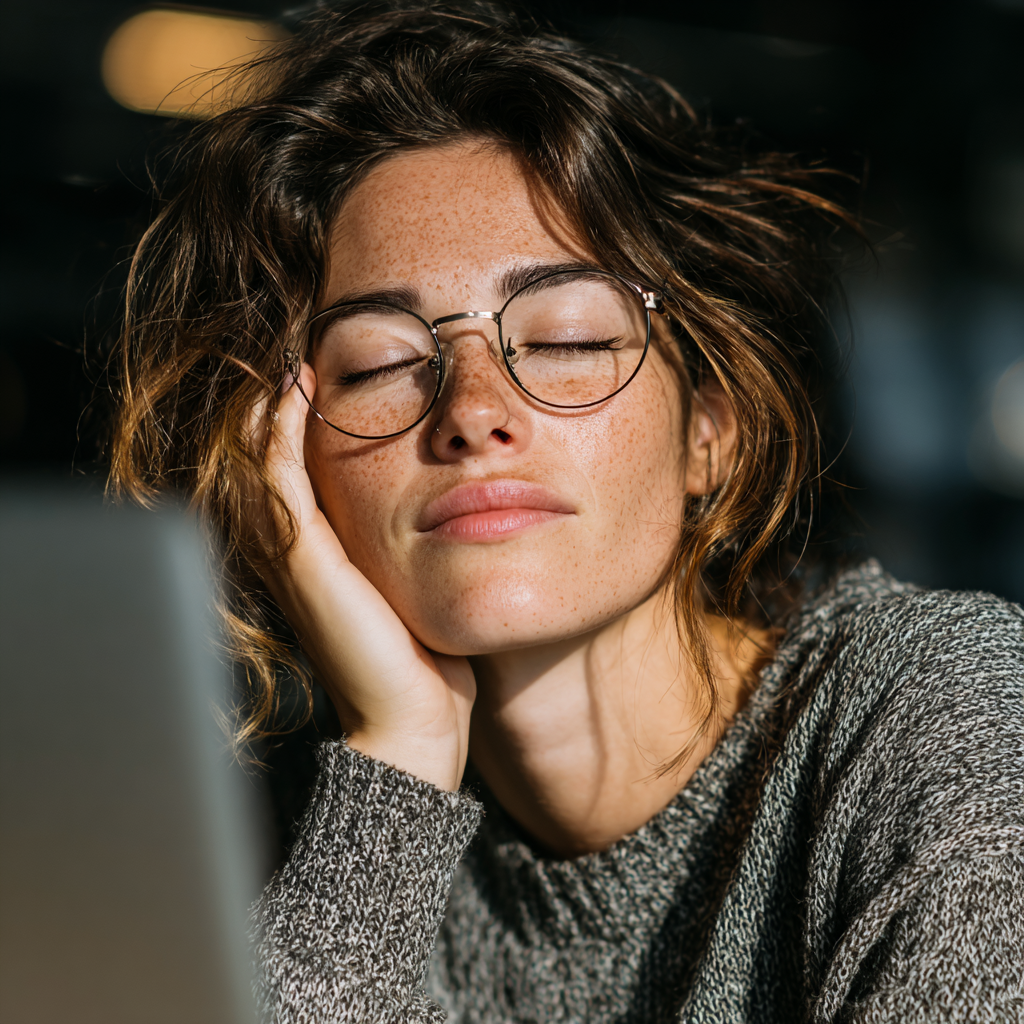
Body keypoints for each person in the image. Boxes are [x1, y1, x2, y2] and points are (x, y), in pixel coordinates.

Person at [108, 3, 1024, 1021]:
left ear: (708, 430)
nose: (475, 413)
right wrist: (397, 759)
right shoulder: (313, 823)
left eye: (568, 340)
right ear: (285, 462)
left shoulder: (941, 725)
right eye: (381, 361)